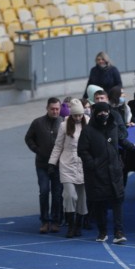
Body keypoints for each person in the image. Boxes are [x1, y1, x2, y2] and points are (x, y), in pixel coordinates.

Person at [77, 102, 127, 244]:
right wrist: (92, 164)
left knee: (118, 201)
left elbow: (121, 141)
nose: (103, 114)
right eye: (100, 112)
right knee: (100, 204)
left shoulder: (114, 127)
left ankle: (119, 232)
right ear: (95, 113)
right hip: (97, 174)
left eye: (106, 111)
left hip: (114, 171)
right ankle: (102, 231)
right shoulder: (87, 131)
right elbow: (82, 150)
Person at [48, 99, 89, 238]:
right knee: (70, 195)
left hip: (84, 164)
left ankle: (78, 225)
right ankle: (70, 225)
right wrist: (52, 163)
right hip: (67, 163)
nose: (78, 118)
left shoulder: (88, 123)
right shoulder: (64, 126)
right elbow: (58, 145)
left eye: (80, 115)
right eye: (75, 115)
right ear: (71, 115)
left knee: (82, 198)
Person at [25, 98, 64, 234]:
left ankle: (55, 221)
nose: (55, 111)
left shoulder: (64, 123)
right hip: (42, 164)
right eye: (52, 108)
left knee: (57, 193)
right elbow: (28, 138)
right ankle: (44, 221)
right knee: (44, 191)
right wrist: (36, 149)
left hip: (59, 165)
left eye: (57, 109)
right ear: (47, 108)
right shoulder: (37, 123)